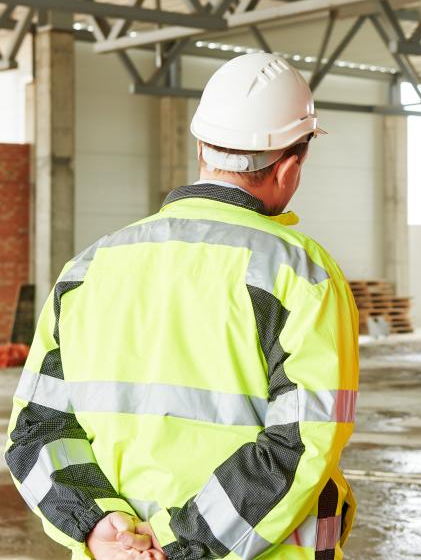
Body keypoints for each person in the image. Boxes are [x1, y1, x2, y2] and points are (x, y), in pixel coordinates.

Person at [5, 53, 359, 559]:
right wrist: (179, 545)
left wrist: (98, 525)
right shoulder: (300, 274)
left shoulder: (87, 268)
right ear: (290, 166)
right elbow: (301, 441)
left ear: (201, 147)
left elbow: (37, 429)